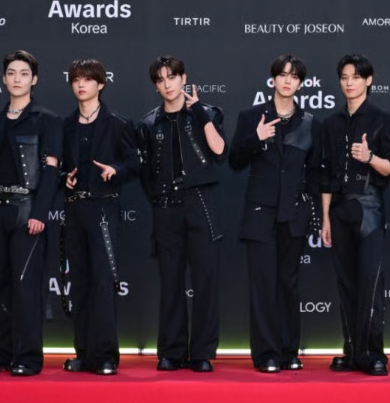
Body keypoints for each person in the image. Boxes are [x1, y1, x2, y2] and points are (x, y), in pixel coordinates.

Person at [0, 50, 62, 376]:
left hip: (28, 212)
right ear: (3, 79)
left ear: (34, 79)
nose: (17, 79)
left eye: (23, 73)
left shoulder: (47, 120)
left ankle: (28, 357)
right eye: (11, 73)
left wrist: (40, 213)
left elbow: (51, 172)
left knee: (26, 287)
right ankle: (1, 353)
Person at [229, 55, 321, 373]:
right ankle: (266, 353)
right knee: (263, 285)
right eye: (282, 75)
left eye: (293, 76)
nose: (287, 80)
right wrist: (256, 139)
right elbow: (235, 161)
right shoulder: (251, 116)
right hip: (259, 215)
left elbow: (316, 172)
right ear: (272, 80)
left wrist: (310, 208)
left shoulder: (310, 123)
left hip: (293, 215)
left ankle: (288, 351)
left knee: (288, 284)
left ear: (300, 84)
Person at [136, 56, 226, 373]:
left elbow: (219, 150)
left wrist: (198, 111)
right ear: (156, 85)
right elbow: (146, 174)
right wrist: (161, 201)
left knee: (205, 281)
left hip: (200, 203)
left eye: (172, 77)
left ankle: (202, 352)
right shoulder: (148, 124)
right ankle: (171, 351)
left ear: (183, 78)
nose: (167, 84)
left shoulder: (208, 112)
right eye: (161, 79)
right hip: (166, 208)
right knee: (171, 283)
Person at [320, 54, 390, 376]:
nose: (349, 83)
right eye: (344, 77)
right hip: (339, 211)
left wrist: (370, 157)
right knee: (346, 285)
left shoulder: (385, 119)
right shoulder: (331, 123)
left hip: (369, 210)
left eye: (356, 77)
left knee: (370, 283)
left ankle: (373, 353)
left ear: (368, 80)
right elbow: (325, 175)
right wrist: (325, 218)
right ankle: (353, 351)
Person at [60, 59, 139, 376]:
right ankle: (83, 353)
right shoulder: (65, 125)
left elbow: (134, 164)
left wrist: (115, 170)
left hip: (104, 210)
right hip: (74, 210)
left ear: (101, 84)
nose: (81, 84)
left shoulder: (118, 123)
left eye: (88, 79)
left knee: (103, 283)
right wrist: (64, 178)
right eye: (76, 79)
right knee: (79, 283)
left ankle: (105, 356)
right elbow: (58, 166)